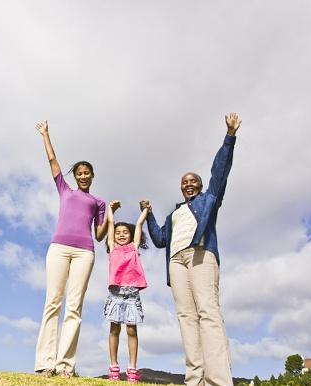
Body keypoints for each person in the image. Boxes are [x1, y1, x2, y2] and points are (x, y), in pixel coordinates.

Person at [140, 112, 242, 386]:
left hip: (200, 253)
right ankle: (194, 379)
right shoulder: (175, 214)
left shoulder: (209, 200)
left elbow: (219, 172)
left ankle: (218, 380)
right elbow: (161, 239)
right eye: (184, 181)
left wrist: (229, 137)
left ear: (199, 184)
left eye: (192, 180)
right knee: (186, 316)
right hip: (176, 261)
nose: (188, 183)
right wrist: (148, 214)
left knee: (208, 311)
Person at [34, 120, 110, 378]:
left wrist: (111, 215)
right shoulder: (64, 190)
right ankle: (46, 363)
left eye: (87, 172)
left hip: (84, 252)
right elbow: (52, 160)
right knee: (53, 302)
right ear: (75, 176)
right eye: (79, 172)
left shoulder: (98, 202)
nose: (83, 175)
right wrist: (46, 134)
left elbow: (100, 236)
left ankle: (65, 365)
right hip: (58, 248)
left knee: (74, 307)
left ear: (92, 175)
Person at [104, 200, 149, 384]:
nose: (121, 235)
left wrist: (145, 210)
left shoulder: (134, 248)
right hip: (115, 294)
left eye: (125, 233)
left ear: (131, 236)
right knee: (114, 329)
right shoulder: (113, 247)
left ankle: (132, 369)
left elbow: (138, 224)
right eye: (118, 233)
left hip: (131, 295)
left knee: (132, 330)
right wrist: (110, 210)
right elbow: (110, 224)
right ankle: (114, 368)